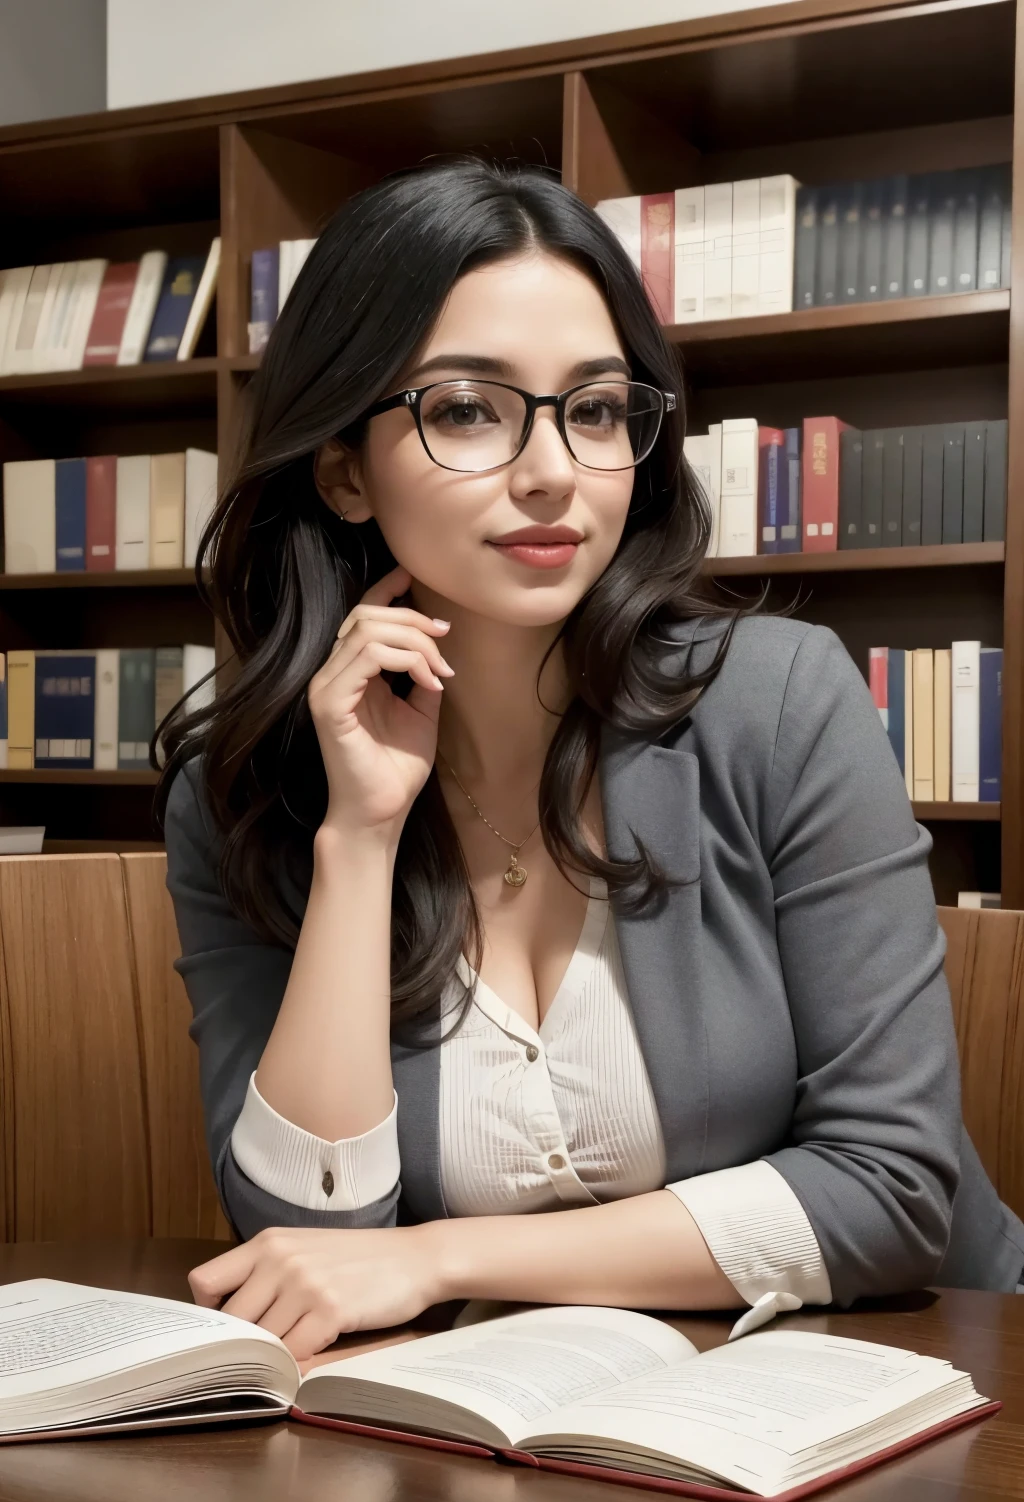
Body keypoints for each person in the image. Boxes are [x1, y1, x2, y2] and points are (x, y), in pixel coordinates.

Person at [161, 158, 1024, 1364]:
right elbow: (302, 1241)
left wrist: (436, 1255)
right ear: (344, 468)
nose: (554, 470)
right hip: (490, 1437)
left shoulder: (777, 702)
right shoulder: (241, 792)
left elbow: (888, 1192)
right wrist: (357, 841)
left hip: (910, 1387)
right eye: (468, 409)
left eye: (598, 407)